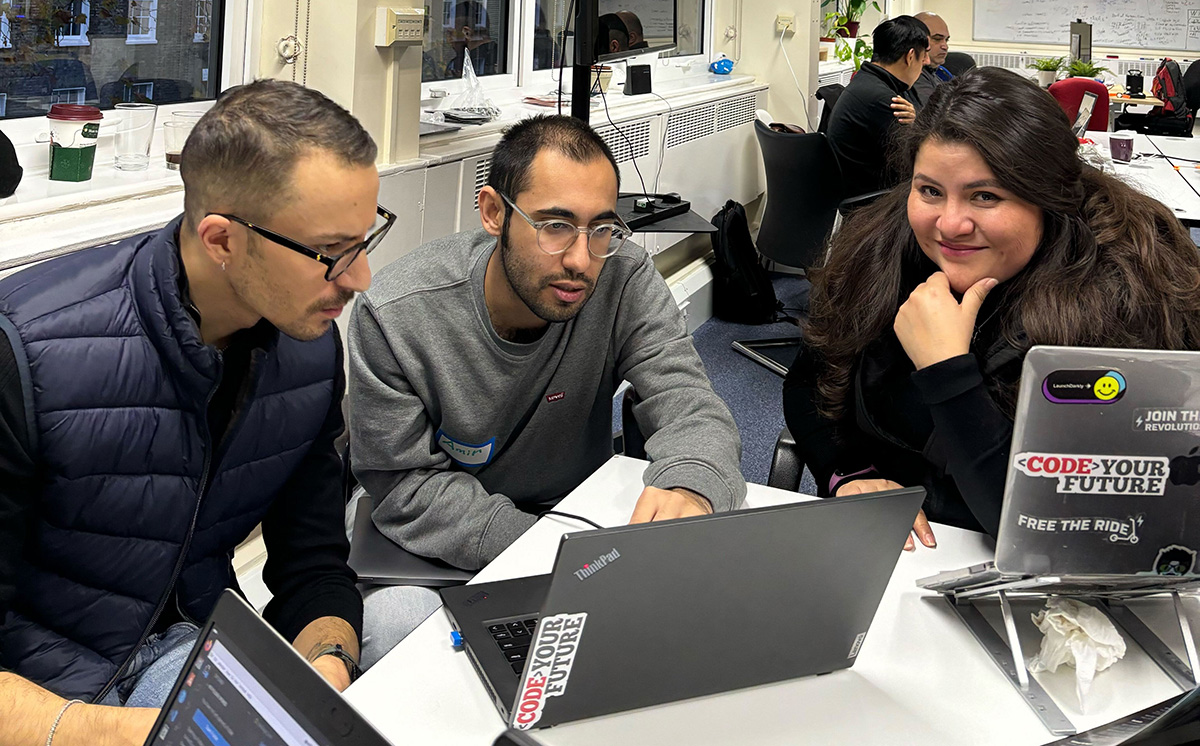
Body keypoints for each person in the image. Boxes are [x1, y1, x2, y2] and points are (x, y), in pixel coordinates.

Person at [0, 79, 388, 745]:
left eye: (364, 240)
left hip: (197, 649)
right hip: (46, 691)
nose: (359, 280)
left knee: (406, 627)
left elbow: (313, 563)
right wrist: (116, 733)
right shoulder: (26, 352)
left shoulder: (309, 350)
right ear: (221, 240)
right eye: (331, 253)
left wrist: (326, 666)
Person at [348, 115, 746, 656]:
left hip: (567, 519)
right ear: (493, 213)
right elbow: (405, 487)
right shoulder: (397, 314)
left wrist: (693, 485)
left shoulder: (622, 276)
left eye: (602, 229)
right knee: (396, 636)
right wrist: (539, 549)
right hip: (432, 544)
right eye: (554, 226)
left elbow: (687, 402)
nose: (582, 260)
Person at [783, 67, 1200, 551]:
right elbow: (812, 382)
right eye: (930, 190)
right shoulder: (882, 250)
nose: (950, 223)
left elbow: (1057, 531)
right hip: (898, 554)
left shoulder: (1126, 299)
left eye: (986, 196)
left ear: (1049, 199)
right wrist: (849, 473)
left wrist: (947, 373)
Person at [826, 15, 929, 195]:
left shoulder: (866, 82)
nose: (927, 62)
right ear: (910, 57)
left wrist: (916, 122)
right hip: (876, 205)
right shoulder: (884, 100)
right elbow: (920, 157)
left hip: (863, 194)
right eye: (924, 56)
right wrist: (920, 125)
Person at [910, 12, 953, 108]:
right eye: (937, 39)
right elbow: (937, 112)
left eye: (946, 40)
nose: (945, 46)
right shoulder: (914, 76)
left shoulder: (939, 71)